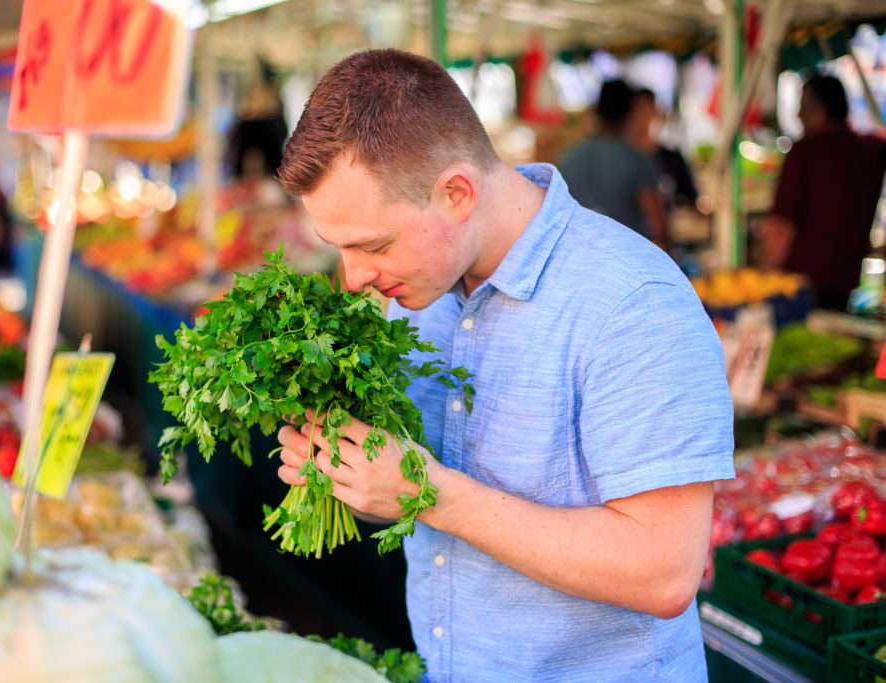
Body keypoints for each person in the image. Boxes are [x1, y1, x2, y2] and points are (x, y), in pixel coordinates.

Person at [273, 49, 734, 681]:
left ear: (457, 193)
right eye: (340, 250)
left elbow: (663, 571)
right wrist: (357, 478)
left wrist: (422, 490)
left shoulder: (633, 303)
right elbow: (419, 503)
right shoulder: (417, 293)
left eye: (374, 245)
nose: (354, 280)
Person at [758, 74, 886, 311]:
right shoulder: (870, 150)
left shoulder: (805, 152)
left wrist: (763, 283)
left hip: (800, 287)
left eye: (802, 106)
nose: (798, 115)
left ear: (819, 110)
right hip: (845, 283)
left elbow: (781, 229)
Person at [559, 79, 670, 251]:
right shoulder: (636, 160)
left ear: (597, 110)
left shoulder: (570, 158)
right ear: (629, 113)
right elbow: (660, 228)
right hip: (627, 261)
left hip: (581, 259)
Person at [626, 87, 700, 216]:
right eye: (633, 112)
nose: (638, 119)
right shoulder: (619, 160)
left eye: (644, 111)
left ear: (655, 112)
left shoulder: (672, 159)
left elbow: (692, 203)